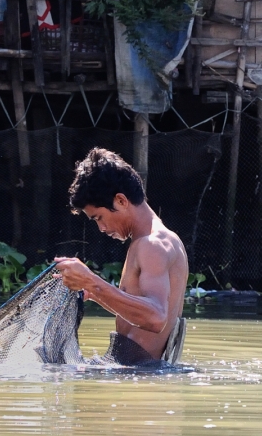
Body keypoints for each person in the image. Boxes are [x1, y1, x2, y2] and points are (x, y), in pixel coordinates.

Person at [54, 147, 188, 366]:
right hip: (138, 372)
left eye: (99, 217)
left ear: (121, 201)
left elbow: (155, 318)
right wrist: (95, 293)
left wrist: (92, 281)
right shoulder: (159, 240)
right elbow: (141, 310)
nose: (101, 228)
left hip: (139, 378)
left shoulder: (151, 244)